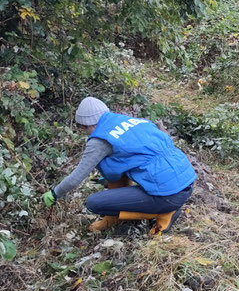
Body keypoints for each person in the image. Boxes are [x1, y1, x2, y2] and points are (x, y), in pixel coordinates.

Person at [41, 97, 197, 235]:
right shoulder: (132, 121)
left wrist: (55, 193)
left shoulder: (99, 140)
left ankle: (165, 212)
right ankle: (117, 218)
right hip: (187, 183)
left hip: (167, 194)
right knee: (108, 162)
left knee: (94, 203)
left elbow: (76, 178)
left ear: (87, 125)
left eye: (83, 129)